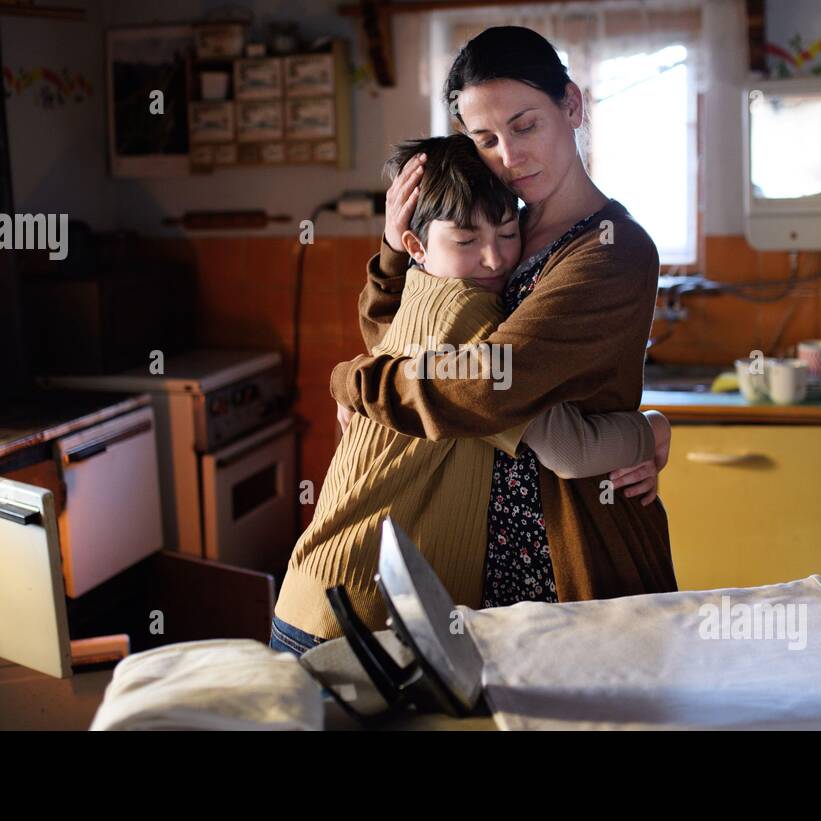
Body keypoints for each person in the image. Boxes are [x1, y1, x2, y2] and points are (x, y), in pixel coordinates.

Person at [328, 25, 678, 625]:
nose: (509, 157)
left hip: (570, 549)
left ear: (572, 105)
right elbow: (409, 342)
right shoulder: (501, 223)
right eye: (485, 138)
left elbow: (490, 384)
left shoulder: (611, 250)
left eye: (525, 125)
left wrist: (353, 384)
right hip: (469, 546)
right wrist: (394, 251)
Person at [270, 134, 670, 656]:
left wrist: (351, 364)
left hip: (320, 590)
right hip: (361, 616)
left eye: (507, 233)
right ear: (417, 244)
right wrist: (652, 429)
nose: (492, 258)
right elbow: (569, 451)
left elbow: (382, 337)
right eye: (464, 241)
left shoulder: (417, 290)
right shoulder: (475, 320)